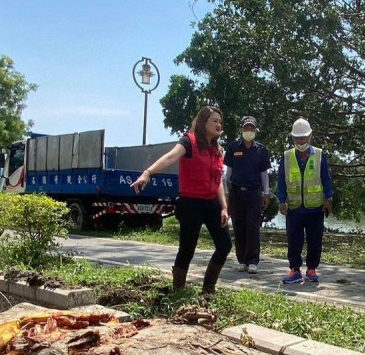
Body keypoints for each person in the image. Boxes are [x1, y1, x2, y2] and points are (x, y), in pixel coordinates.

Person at [132, 106, 231, 294]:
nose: (219, 124)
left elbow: (218, 182)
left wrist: (224, 207)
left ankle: (208, 290)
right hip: (190, 204)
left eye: (220, 121)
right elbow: (170, 157)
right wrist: (148, 173)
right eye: (214, 120)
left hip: (211, 204)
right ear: (203, 122)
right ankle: (178, 290)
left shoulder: (217, 149)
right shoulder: (188, 141)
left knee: (225, 245)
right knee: (187, 250)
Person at [277, 117, 333, 284]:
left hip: (315, 207)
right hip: (294, 208)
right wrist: (281, 200)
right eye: (297, 138)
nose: (300, 140)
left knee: (315, 240)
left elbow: (326, 178)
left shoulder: (320, 155)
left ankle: (312, 269)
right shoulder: (286, 156)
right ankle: (294, 270)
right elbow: (281, 180)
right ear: (293, 138)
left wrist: (329, 198)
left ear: (310, 136)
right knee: (294, 240)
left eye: (303, 137)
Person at [224, 116, 271, 274]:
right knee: (239, 226)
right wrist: (225, 191)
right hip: (236, 193)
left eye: (251, 128)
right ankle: (242, 260)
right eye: (246, 128)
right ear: (241, 130)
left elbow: (264, 173)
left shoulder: (261, 150)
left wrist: (266, 193)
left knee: (253, 226)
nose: (249, 131)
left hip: (254, 193)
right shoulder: (233, 148)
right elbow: (227, 173)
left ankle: (253, 260)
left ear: (256, 130)